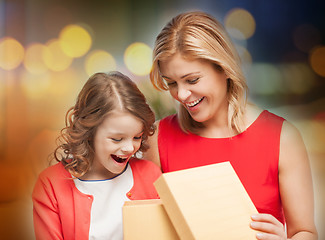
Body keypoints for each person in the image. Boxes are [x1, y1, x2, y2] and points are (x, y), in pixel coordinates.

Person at [145, 11, 318, 240]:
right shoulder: (156, 140)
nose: (182, 94)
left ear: (224, 68)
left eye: (192, 80)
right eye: (171, 83)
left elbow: (304, 232)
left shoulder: (282, 138)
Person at [32, 71, 162, 240]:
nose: (130, 147)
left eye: (137, 137)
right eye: (117, 139)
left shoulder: (150, 175)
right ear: (90, 132)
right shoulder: (51, 184)